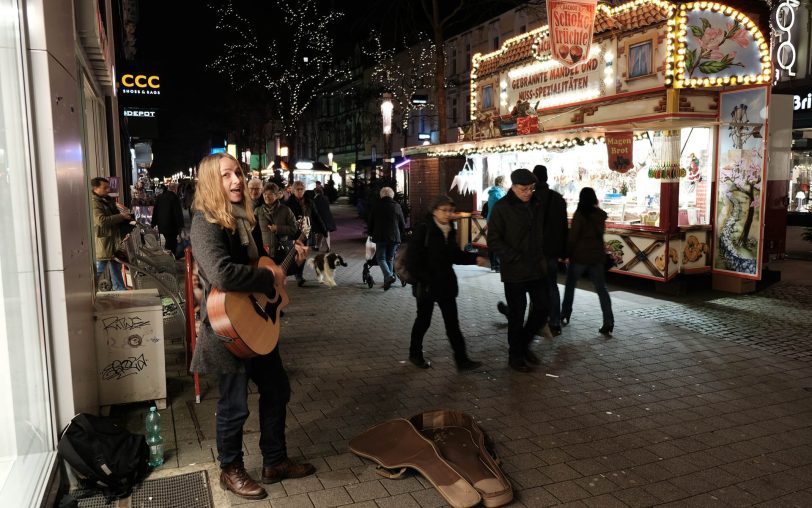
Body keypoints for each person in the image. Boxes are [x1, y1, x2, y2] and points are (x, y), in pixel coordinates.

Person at [190, 153, 314, 501]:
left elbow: (261, 265)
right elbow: (222, 274)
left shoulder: (243, 217)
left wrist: (285, 263)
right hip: (227, 329)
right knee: (234, 406)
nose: (236, 181)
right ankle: (230, 470)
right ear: (212, 182)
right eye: (226, 175)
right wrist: (268, 274)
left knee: (277, 388)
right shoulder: (205, 222)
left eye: (239, 173)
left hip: (254, 323)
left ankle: (274, 460)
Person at [406, 195, 489, 370]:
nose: (447, 214)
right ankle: (415, 354)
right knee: (423, 321)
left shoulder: (450, 228)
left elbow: (454, 255)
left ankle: (462, 360)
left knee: (452, 324)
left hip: (446, 284)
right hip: (427, 285)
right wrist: (425, 279)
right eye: (444, 210)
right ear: (434, 210)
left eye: (450, 211)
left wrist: (474, 259)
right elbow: (412, 261)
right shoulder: (424, 229)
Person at [487, 168, 548, 372]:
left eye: (531, 188)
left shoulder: (537, 204)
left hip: (536, 267)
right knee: (516, 314)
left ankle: (523, 344)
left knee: (542, 308)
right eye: (524, 189)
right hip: (514, 270)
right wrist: (513, 257)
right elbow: (494, 239)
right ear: (513, 187)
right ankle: (515, 356)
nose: (528, 192)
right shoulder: (502, 208)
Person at [560, 187, 615, 336]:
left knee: (570, 286)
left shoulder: (580, 215)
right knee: (601, 289)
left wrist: (566, 253)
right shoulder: (599, 216)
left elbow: (573, 237)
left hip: (579, 256)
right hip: (596, 256)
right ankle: (608, 320)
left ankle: (565, 313)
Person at [533, 165, 568, 336]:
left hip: (535, 250)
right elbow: (563, 227)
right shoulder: (558, 198)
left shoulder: (531, 198)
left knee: (535, 287)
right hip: (553, 251)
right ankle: (555, 321)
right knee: (552, 286)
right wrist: (563, 250)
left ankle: (536, 321)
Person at [91, 177, 131, 291]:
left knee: (116, 267)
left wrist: (124, 216)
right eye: (105, 187)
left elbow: (114, 217)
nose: (108, 190)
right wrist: (121, 216)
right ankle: (87, 294)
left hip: (113, 241)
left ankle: (120, 289)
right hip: (103, 242)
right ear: (95, 188)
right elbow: (101, 220)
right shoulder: (94, 202)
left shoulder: (106, 200)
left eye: (108, 187)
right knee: (99, 269)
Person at [285, 181, 325, 285]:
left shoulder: (309, 202)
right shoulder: (288, 203)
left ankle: (299, 275)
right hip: (294, 233)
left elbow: (316, 216)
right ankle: (294, 274)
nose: (299, 191)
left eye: (301, 189)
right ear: (293, 190)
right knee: (293, 254)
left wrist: (323, 229)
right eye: (297, 189)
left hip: (306, 232)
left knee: (302, 254)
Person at [368, 187, 406, 290]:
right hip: (394, 236)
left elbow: (371, 221)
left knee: (381, 258)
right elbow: (402, 223)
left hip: (380, 236)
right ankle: (388, 280)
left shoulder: (376, 206)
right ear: (392, 195)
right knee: (390, 258)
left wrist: (370, 233)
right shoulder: (397, 206)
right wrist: (401, 234)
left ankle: (389, 276)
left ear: (381, 195)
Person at [256, 182, 298, 260]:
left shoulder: (285, 210)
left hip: (281, 250)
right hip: (264, 252)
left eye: (270, 194)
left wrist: (278, 228)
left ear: (276, 195)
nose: (267, 196)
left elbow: (294, 228)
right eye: (265, 194)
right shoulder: (258, 211)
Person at [151, 181, 185, 257]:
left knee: (169, 241)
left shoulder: (160, 197)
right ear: (175, 189)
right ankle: (170, 257)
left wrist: (153, 223)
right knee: (172, 243)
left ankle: (169, 256)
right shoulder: (174, 197)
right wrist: (181, 225)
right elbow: (178, 213)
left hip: (162, 225)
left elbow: (155, 210)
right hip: (172, 226)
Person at [486, 175, 507, 272]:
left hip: (491, 220)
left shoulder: (492, 192)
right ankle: (497, 266)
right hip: (497, 221)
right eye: (505, 182)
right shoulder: (498, 193)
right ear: (501, 183)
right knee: (497, 243)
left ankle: (494, 265)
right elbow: (505, 205)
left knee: (493, 243)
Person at [313, 187, 336, 251]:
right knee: (325, 232)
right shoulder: (326, 198)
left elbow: (315, 210)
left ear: (315, 192)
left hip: (320, 218)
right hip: (327, 217)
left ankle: (322, 247)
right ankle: (319, 246)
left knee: (321, 232)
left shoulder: (315, 199)